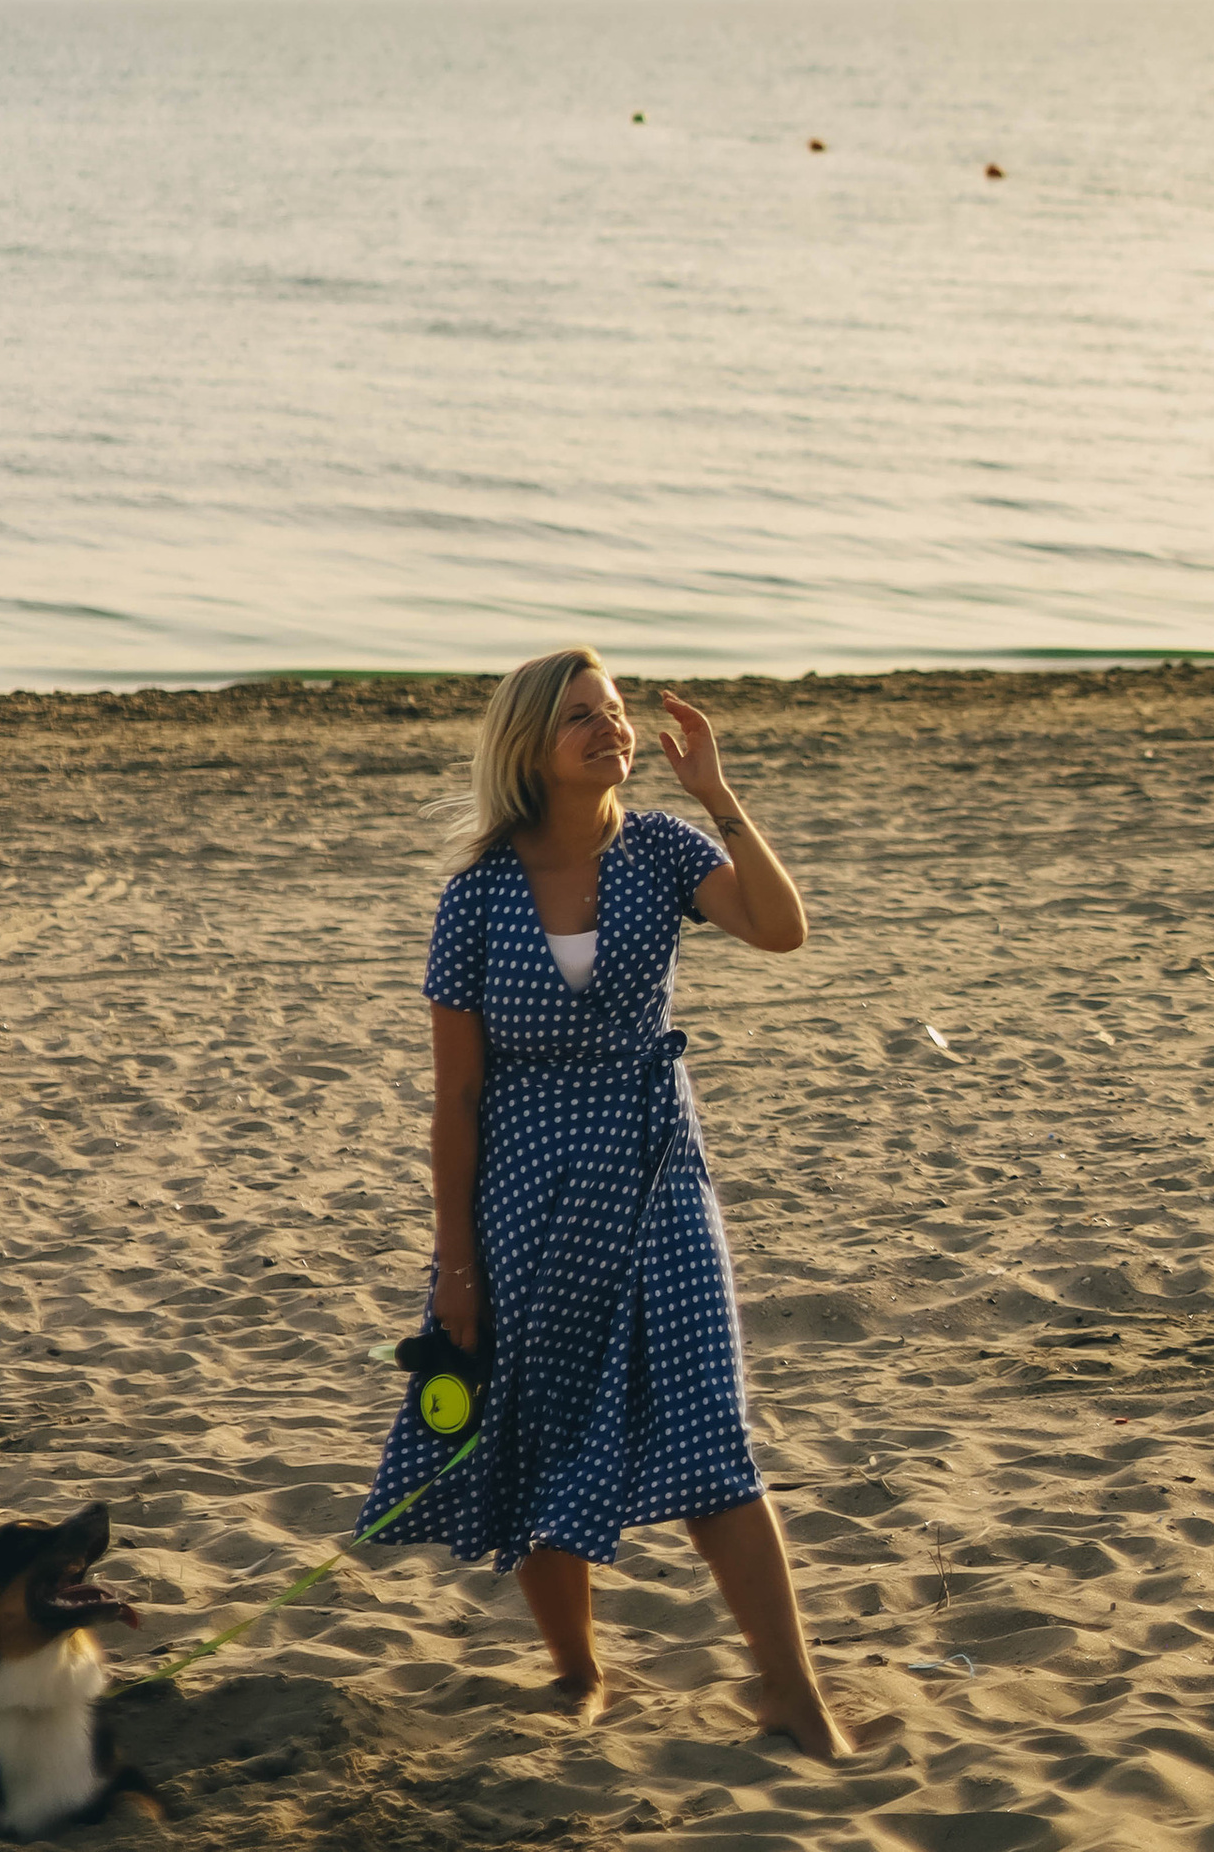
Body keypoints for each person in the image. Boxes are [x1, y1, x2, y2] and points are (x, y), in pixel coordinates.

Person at [355, 648, 850, 1755]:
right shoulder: (475, 897)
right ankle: (578, 1673)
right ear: (530, 746)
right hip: (524, 1194)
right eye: (581, 717)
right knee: (537, 1425)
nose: (609, 730)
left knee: (712, 1425)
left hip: (657, 1170)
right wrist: (455, 1266)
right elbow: (456, 1102)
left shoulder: (668, 849)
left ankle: (791, 1691)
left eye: (616, 712)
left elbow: (781, 929)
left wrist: (720, 795)